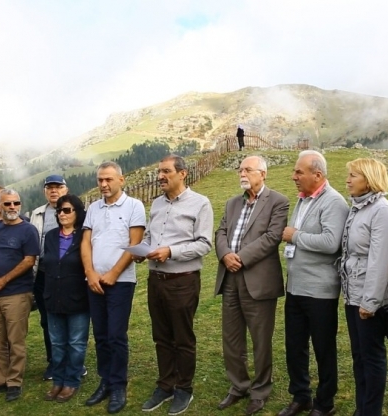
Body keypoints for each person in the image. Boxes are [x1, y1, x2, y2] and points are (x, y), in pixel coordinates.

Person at [214, 156, 289, 415]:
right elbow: (221, 232)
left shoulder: (278, 202)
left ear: (263, 174)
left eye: (247, 169)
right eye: (240, 169)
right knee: (232, 338)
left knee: (260, 339)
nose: (242, 173)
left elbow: (272, 238)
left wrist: (241, 258)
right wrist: (225, 255)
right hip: (230, 278)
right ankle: (238, 386)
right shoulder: (232, 203)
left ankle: (260, 390)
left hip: (257, 280)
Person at [139, 154, 213, 416]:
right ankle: (165, 385)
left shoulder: (200, 204)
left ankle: (184, 388)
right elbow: (149, 235)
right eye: (159, 171)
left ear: (182, 173)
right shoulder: (157, 204)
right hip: (155, 280)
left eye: (166, 171)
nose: (160, 176)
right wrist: (143, 249)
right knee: (161, 336)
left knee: (182, 337)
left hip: (182, 281)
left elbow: (204, 244)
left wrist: (171, 251)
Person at [278, 150, 349, 416]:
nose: (293, 176)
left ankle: (324, 403)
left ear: (317, 175)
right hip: (295, 287)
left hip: (320, 291)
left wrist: (296, 236)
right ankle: (301, 396)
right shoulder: (303, 199)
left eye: (299, 172)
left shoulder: (334, 202)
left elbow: (332, 243)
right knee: (295, 346)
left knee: (323, 348)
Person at [81, 161, 146, 413]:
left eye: (108, 179)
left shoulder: (134, 206)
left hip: (121, 282)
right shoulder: (93, 208)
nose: (103, 184)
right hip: (94, 282)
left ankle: (118, 385)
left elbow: (135, 243)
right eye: (100, 180)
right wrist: (90, 273)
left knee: (116, 335)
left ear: (122, 179)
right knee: (100, 335)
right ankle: (105, 381)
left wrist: (113, 274)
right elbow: (86, 242)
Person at [338, 159, 388, 416]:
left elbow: (381, 260)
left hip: (369, 299)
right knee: (359, 355)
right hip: (353, 294)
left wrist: (370, 302)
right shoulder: (358, 208)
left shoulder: (382, 211)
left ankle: (370, 410)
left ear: (369, 178)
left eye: (353, 175)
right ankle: (361, 408)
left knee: (372, 357)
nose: (348, 180)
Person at [0, 189, 40, 402]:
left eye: (16, 203)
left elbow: (29, 260)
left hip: (17, 293)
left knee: (15, 340)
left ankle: (14, 382)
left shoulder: (28, 230)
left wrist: (2, 280)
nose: (12, 207)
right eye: (7, 204)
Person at [41, 194, 90, 403]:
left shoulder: (84, 237)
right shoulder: (51, 236)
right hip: (53, 297)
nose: (62, 214)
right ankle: (58, 380)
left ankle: (71, 381)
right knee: (57, 343)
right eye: (59, 210)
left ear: (77, 212)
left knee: (76, 343)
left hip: (77, 297)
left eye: (67, 210)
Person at [29, 174, 69, 381]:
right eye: (49, 187)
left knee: (71, 318)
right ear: (45, 191)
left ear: (65, 189)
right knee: (47, 320)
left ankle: (72, 362)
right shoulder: (37, 214)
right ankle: (53, 361)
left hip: (69, 276)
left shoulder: (75, 211)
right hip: (43, 275)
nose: (54, 190)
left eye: (58, 187)